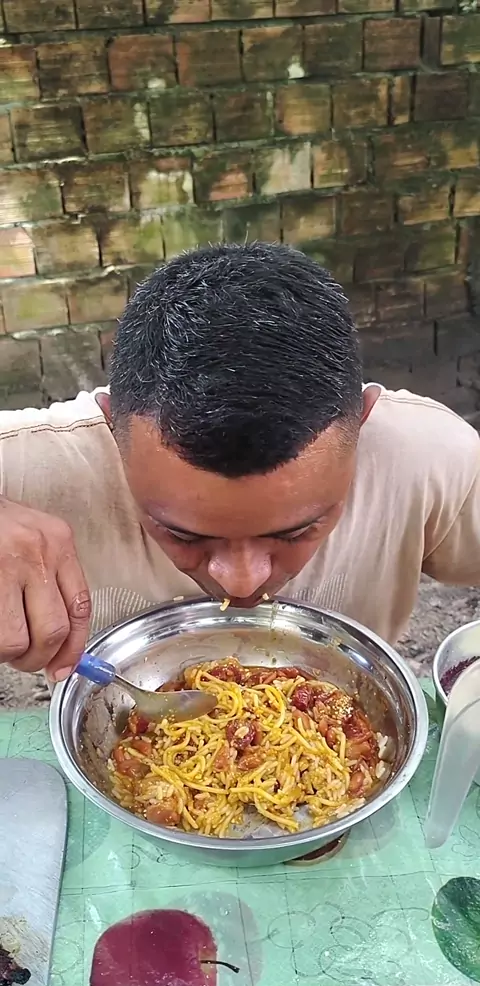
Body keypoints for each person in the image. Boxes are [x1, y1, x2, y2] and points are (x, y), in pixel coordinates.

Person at [0, 241, 479, 683]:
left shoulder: (426, 460)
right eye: (184, 535)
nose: (242, 581)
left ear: (362, 424)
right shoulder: (38, 462)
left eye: (294, 533)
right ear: (111, 426)